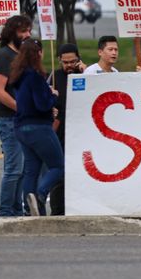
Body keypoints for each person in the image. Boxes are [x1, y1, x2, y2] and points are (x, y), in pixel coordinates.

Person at [10, 38, 63, 216]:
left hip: (21, 127)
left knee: (31, 170)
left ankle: (30, 209)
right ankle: (40, 195)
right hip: (39, 127)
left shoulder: (18, 76)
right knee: (58, 166)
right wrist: (53, 96)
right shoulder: (35, 76)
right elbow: (42, 104)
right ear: (39, 53)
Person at [0, 14, 32, 217]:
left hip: (19, 119)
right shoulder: (4, 56)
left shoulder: (19, 56)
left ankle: (17, 210)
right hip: (7, 119)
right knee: (14, 169)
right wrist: (20, 107)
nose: (27, 34)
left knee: (22, 169)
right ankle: (6, 212)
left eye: (29, 30)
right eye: (22, 31)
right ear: (11, 33)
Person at [47, 43, 86, 215]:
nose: (69, 65)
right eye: (65, 62)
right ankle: (57, 211)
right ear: (59, 61)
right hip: (61, 130)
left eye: (73, 61)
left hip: (82, 130)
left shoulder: (87, 74)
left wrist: (85, 72)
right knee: (59, 172)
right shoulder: (54, 77)